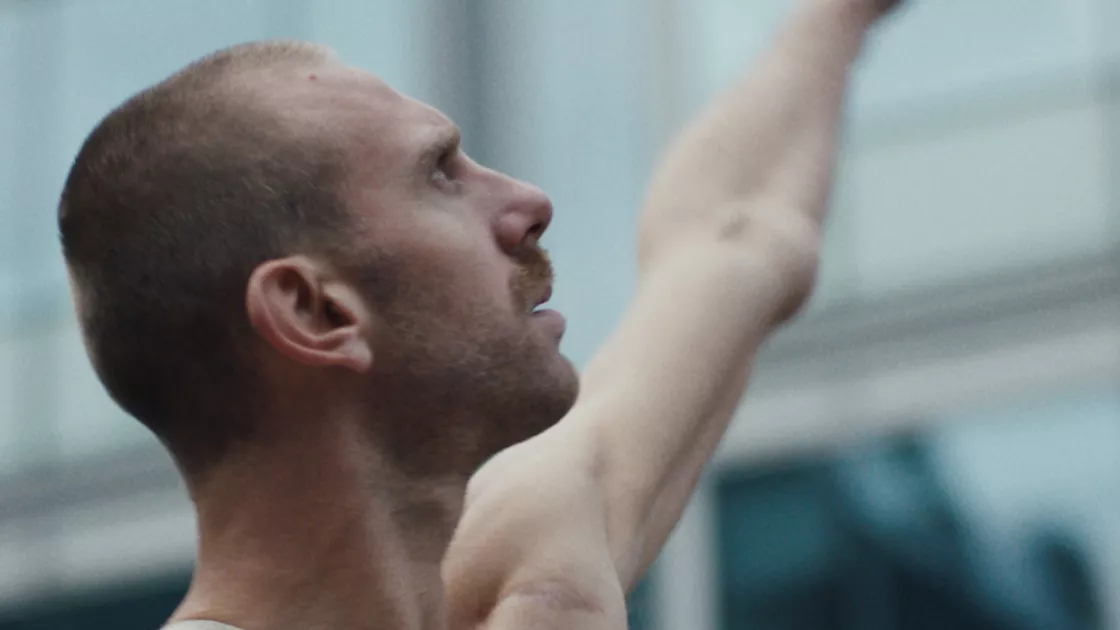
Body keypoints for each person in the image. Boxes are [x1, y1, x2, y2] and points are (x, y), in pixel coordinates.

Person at [57, 0, 903, 627]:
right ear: (315, 311)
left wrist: (840, 14)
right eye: (440, 176)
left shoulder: (537, 580)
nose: (530, 202)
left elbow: (734, 235)